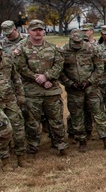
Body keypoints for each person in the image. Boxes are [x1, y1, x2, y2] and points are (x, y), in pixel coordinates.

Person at [13, 19, 68, 157]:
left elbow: (59, 64)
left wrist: (47, 76)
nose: (38, 32)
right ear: (28, 31)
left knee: (56, 120)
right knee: (32, 122)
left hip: (51, 90)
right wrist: (38, 78)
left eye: (40, 29)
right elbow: (20, 67)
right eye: (34, 30)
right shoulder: (21, 48)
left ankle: (60, 145)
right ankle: (33, 148)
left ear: (43, 31)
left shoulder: (52, 47)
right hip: (32, 91)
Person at [59, 29, 106, 151]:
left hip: (92, 88)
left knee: (99, 114)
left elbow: (99, 68)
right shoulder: (63, 51)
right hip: (74, 90)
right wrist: (70, 83)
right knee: (77, 116)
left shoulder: (91, 49)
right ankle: (82, 142)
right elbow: (60, 71)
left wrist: (90, 81)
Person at [0, 48, 28, 168]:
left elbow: (16, 78)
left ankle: (21, 158)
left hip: (10, 100)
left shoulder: (7, 60)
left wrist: (20, 95)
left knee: (19, 129)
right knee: (4, 130)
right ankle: (5, 161)